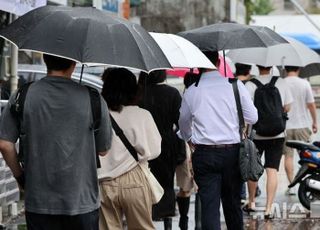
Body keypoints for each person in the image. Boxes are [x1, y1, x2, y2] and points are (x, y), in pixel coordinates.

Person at [0, 54, 112, 230]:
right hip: (82, 202)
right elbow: (103, 149)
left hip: (39, 201)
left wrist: (21, 177)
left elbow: (5, 145)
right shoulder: (93, 98)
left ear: (45, 60)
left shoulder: (23, 95)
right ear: (74, 63)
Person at [179, 51, 258, 230]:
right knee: (233, 204)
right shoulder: (235, 85)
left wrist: (189, 138)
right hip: (233, 152)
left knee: (209, 207)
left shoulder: (192, 91)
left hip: (204, 154)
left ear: (198, 62)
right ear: (218, 61)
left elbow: (183, 122)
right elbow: (253, 117)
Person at [98, 68, 161, 230]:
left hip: (104, 182)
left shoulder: (99, 115)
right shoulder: (142, 115)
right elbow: (155, 150)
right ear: (133, 90)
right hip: (135, 179)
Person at [245, 65, 293, 219]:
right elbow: (288, 107)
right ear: (271, 67)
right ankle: (268, 208)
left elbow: (246, 111)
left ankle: (251, 202)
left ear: (257, 67)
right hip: (277, 134)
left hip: (257, 134)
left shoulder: (250, 84)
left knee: (253, 169)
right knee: (271, 170)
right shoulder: (281, 82)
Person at [139, 70, 182, 230]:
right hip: (166, 142)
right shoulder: (172, 93)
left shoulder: (140, 94)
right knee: (167, 181)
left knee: (147, 179)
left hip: (144, 141)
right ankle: (167, 220)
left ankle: (148, 216)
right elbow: (180, 121)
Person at [283, 65, 317, 195]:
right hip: (302, 125)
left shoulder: (282, 83)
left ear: (285, 69)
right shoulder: (304, 83)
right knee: (307, 156)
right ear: (298, 69)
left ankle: (291, 185)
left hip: (286, 126)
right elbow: (311, 104)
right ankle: (309, 183)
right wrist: (314, 122)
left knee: (288, 156)